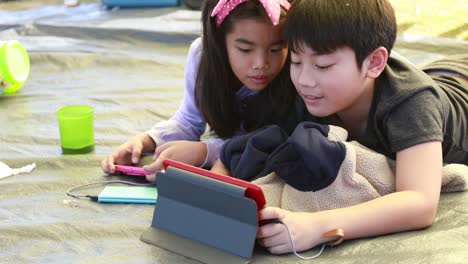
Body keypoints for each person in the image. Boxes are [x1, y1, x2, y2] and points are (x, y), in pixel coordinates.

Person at [214, 0, 468, 255]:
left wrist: (317, 226)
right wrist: (216, 179)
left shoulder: (412, 102)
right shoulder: (308, 91)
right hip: (438, 72)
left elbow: (419, 203)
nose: (304, 80)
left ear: (374, 62)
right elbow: (247, 144)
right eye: (295, 60)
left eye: (323, 66)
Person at [101, 0, 305, 181]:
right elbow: (189, 120)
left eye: (276, 49)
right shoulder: (203, 56)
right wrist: (145, 141)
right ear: (219, 41)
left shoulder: (298, 68)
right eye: (245, 50)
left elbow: (286, 140)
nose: (261, 64)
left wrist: (207, 151)